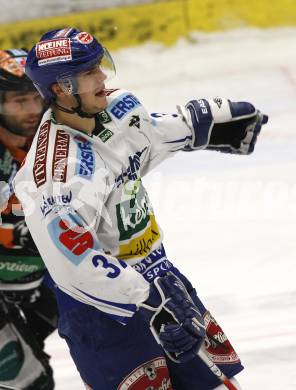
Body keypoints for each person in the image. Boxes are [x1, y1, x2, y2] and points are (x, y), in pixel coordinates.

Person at [14, 28, 268, 390]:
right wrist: (149, 302)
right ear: (61, 89)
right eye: (89, 73)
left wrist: (198, 129)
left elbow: (142, 139)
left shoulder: (117, 107)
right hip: (104, 312)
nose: (102, 76)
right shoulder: (56, 175)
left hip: (158, 277)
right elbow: (76, 264)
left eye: (99, 65)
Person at [0, 49, 57, 390]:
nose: (33, 111)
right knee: (26, 380)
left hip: (34, 280)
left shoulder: (57, 136)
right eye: (19, 102)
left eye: (37, 99)